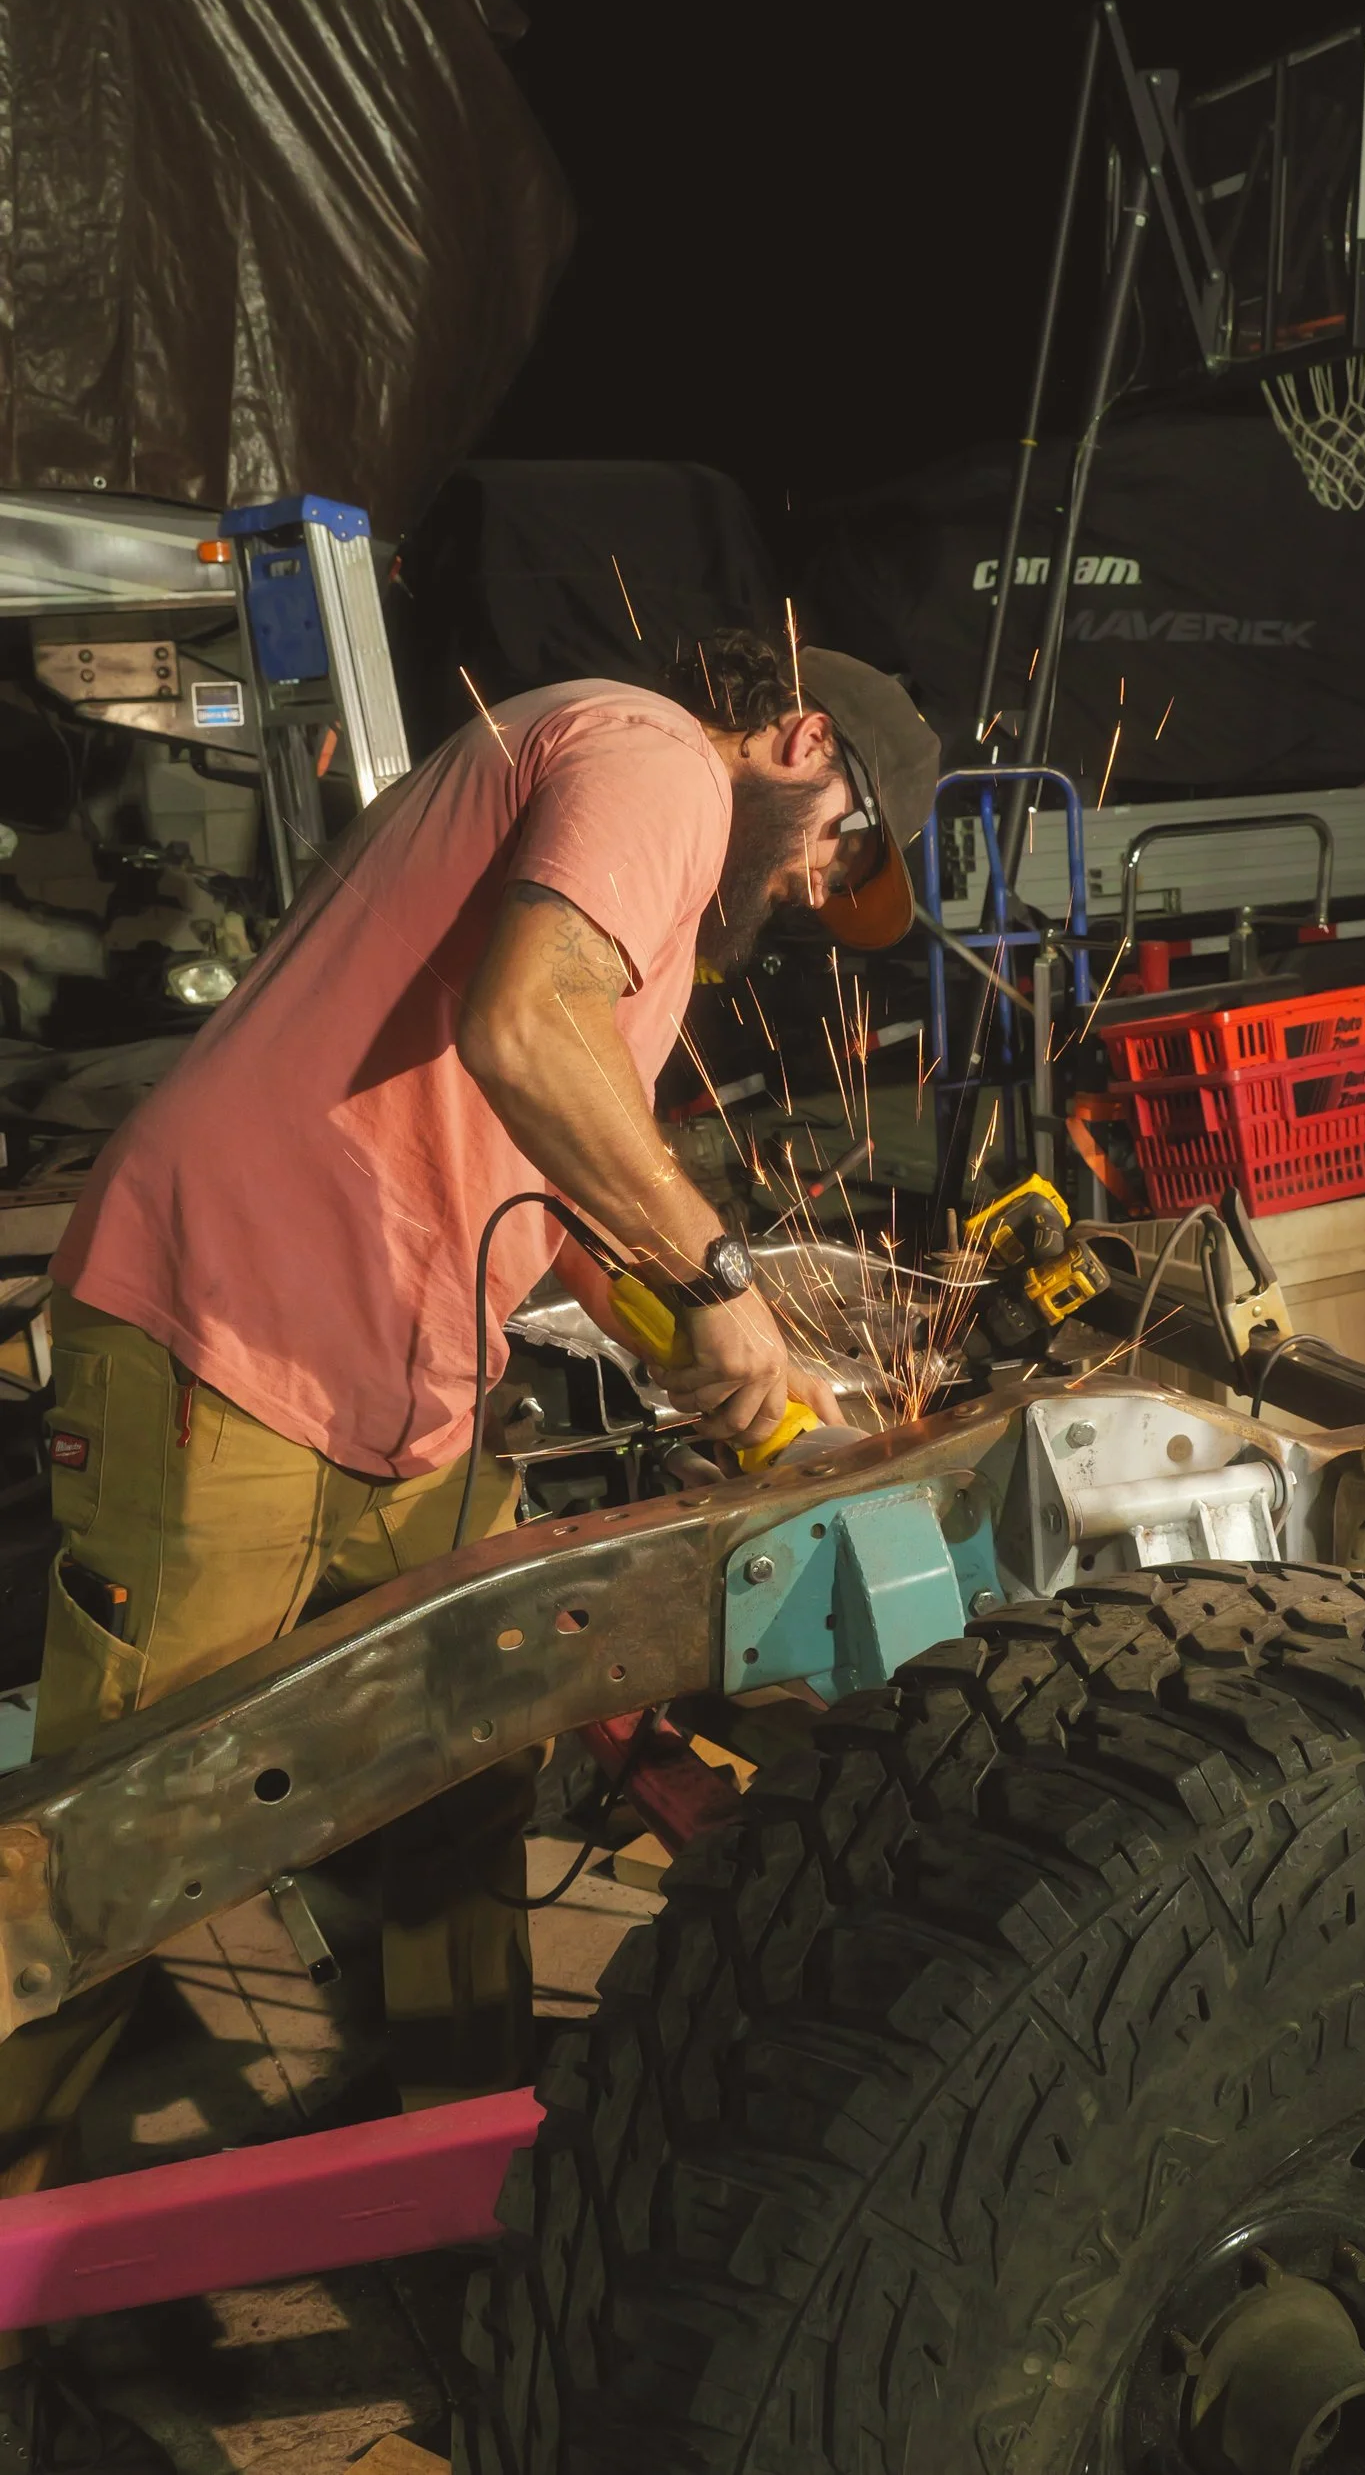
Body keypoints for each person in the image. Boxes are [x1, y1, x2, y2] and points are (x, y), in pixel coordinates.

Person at [3, 629, 939, 2469]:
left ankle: (456, 2229)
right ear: (798, 739)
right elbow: (522, 1036)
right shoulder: (657, 757)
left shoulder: (639, 897)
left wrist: (759, 1404)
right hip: (228, 1328)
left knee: (447, 1796)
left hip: (402, 1384)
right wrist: (726, 1290)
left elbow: (577, 1184)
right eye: (845, 840)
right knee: (123, 1843)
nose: (826, 881)